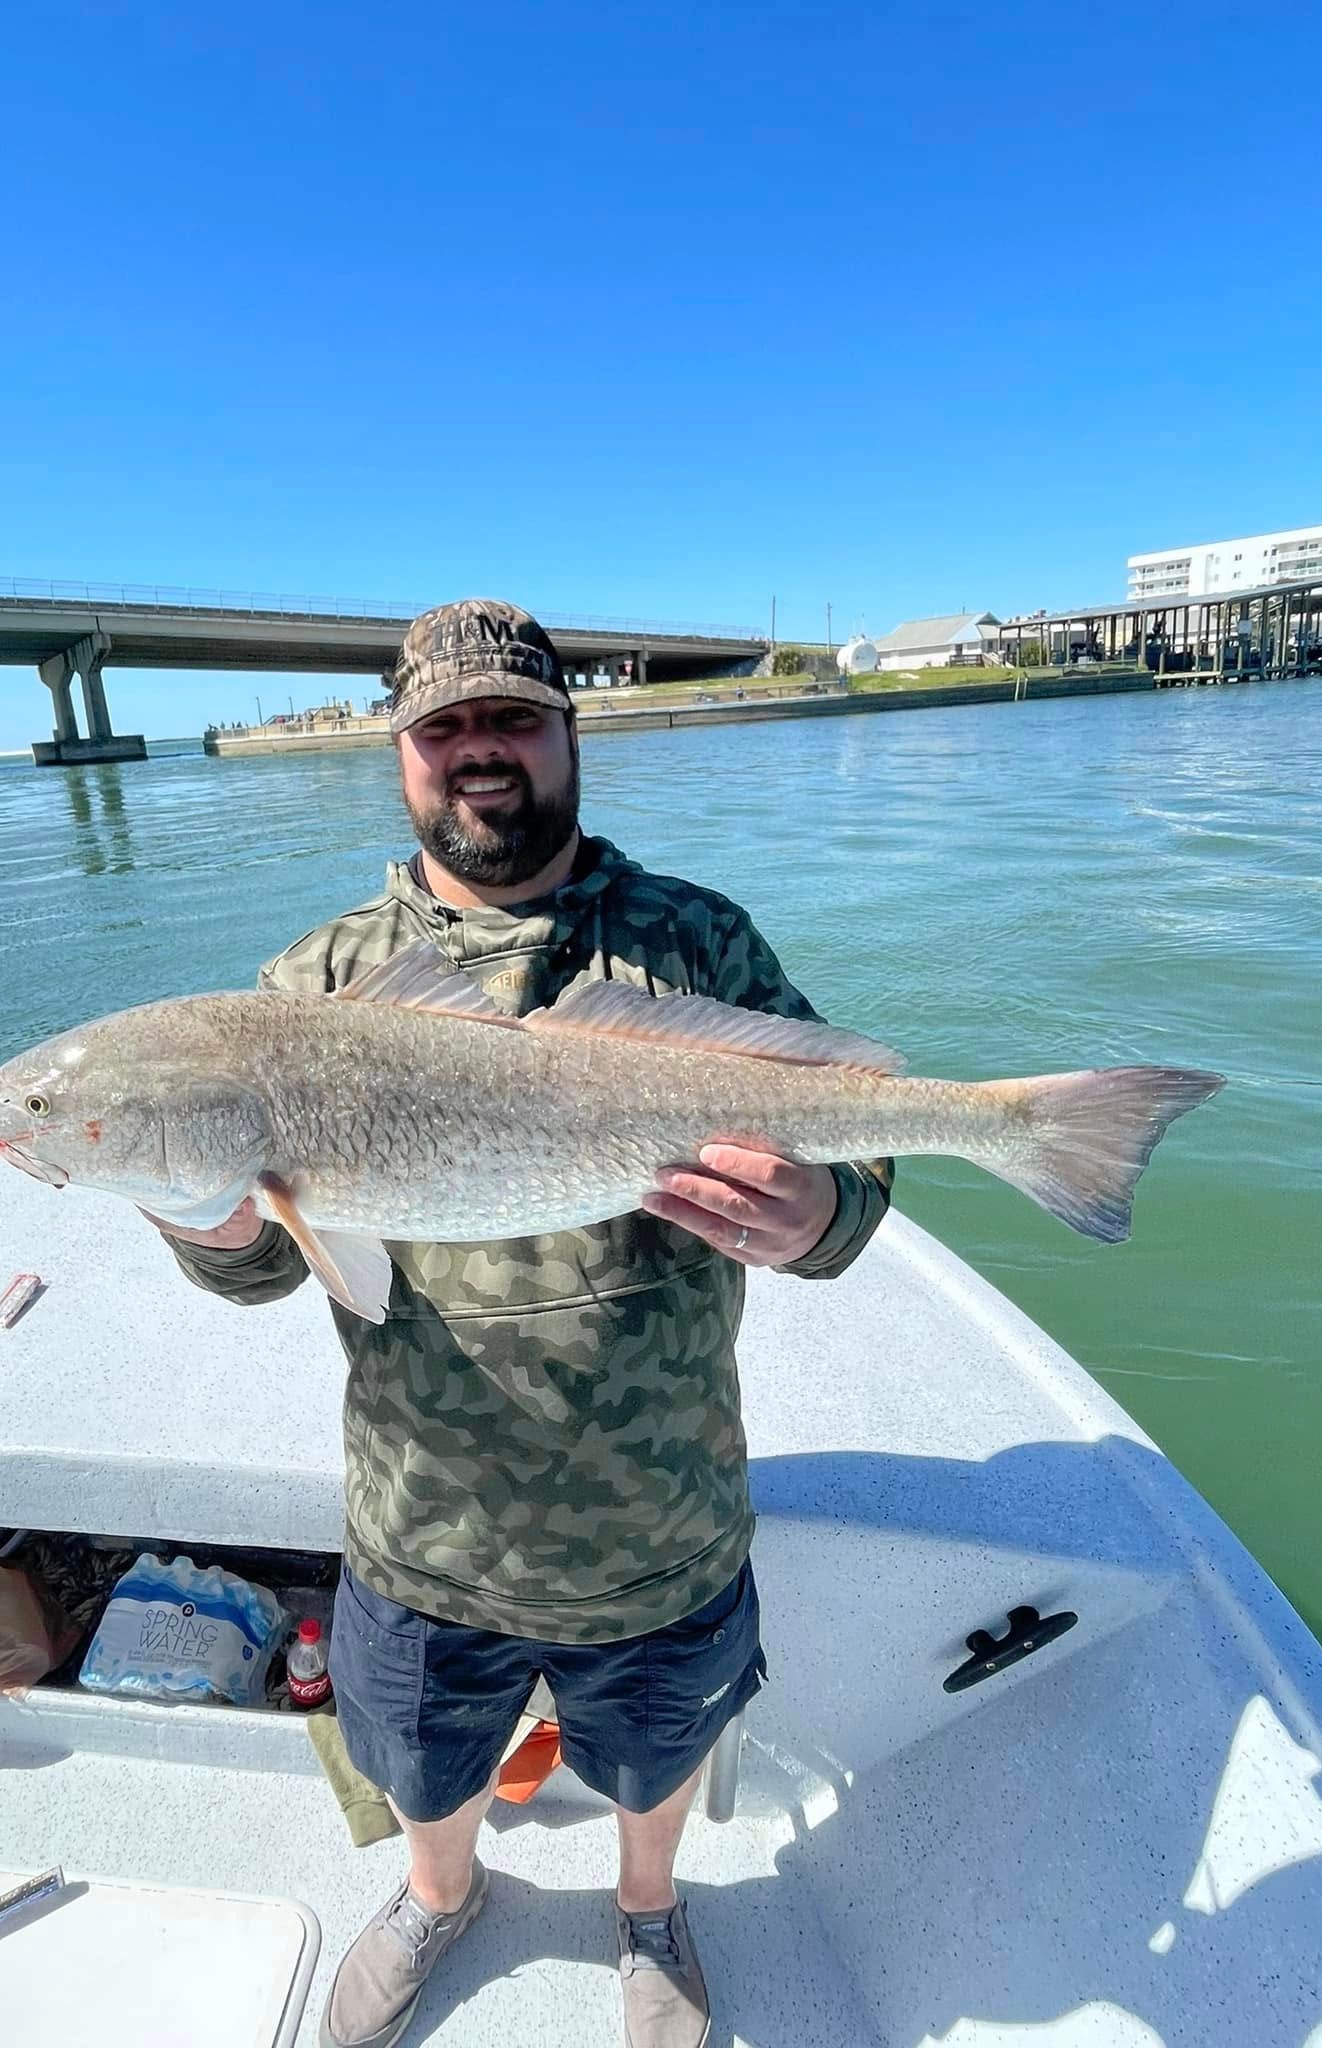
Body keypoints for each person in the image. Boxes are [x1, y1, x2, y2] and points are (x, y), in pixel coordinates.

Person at [149, 598, 893, 2048]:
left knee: (658, 1759)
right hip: (426, 1526)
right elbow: (262, 1275)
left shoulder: (694, 940)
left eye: (513, 719)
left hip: (660, 1516)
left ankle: (648, 1909)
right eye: (447, 727)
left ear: (567, 735)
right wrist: (208, 1223)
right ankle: (440, 1896)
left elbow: (856, 1168)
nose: (480, 751)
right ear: (402, 754)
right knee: (423, 1767)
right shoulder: (313, 987)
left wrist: (819, 1217)